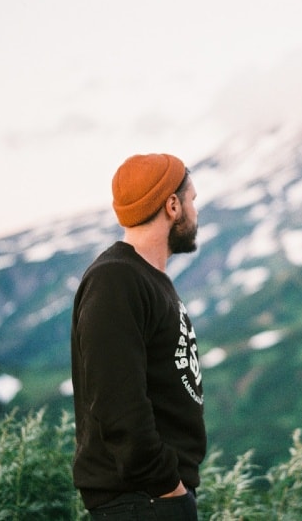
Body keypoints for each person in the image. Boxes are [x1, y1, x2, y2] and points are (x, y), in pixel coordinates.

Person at [70, 153, 206, 520]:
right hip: (142, 501)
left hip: (152, 498)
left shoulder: (143, 278)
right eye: (192, 200)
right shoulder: (116, 280)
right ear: (172, 205)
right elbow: (117, 402)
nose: (195, 211)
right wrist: (167, 486)